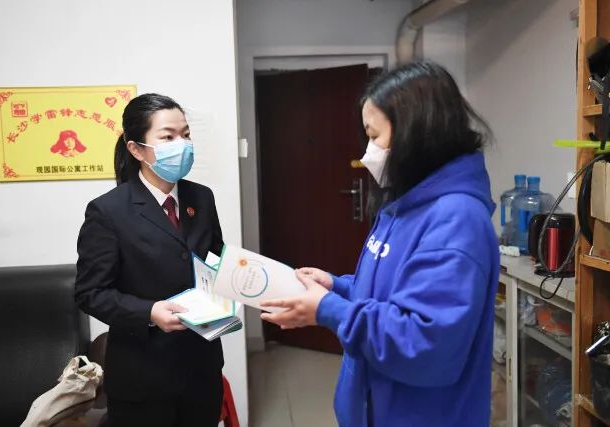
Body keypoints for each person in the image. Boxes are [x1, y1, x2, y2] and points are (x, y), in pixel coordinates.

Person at [261, 62, 499, 427]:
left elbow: (423, 342)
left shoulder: (456, 220)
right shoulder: (405, 202)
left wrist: (329, 310)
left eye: (375, 136)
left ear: (418, 133)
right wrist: (337, 286)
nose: (368, 152)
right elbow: (391, 296)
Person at [74, 93, 225, 427]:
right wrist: (149, 313)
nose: (182, 145)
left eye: (185, 135)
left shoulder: (201, 197)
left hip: (202, 369)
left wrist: (237, 284)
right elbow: (90, 293)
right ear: (136, 149)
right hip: (143, 377)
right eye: (168, 137)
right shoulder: (108, 211)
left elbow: (214, 260)